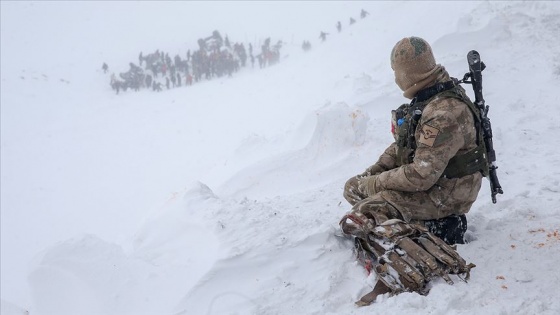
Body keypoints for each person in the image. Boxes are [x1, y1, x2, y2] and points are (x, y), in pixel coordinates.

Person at [340, 36, 483, 304]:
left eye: (397, 73)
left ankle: (407, 265)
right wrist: (372, 173)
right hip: (436, 182)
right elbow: (403, 147)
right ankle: (418, 227)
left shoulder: (443, 112)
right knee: (356, 192)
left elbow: (421, 174)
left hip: (450, 193)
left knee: (370, 210)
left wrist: (374, 184)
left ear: (406, 74)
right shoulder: (428, 97)